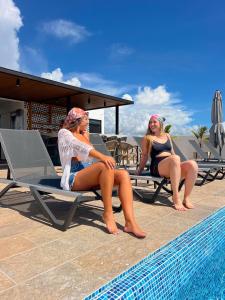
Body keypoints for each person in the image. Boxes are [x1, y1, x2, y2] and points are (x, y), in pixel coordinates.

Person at [58, 107, 146, 238]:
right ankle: (108, 213)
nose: (88, 122)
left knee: (123, 174)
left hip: (89, 174)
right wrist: (102, 156)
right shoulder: (64, 133)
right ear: (77, 120)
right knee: (104, 164)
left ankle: (130, 222)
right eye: (86, 119)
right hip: (74, 176)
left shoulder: (85, 135)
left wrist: (99, 157)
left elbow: (87, 155)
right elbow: (77, 145)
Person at [137, 114, 198, 211]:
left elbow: (172, 152)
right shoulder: (147, 138)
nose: (152, 124)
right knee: (175, 159)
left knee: (192, 164)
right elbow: (144, 155)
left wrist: (179, 165)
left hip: (172, 163)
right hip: (157, 166)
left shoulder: (167, 136)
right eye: (150, 122)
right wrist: (140, 169)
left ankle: (186, 198)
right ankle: (176, 197)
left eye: (154, 122)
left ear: (160, 124)